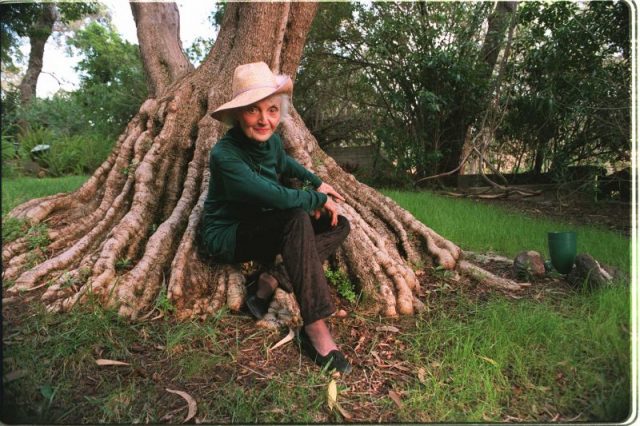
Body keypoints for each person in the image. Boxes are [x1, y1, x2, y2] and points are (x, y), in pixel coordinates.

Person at [198, 62, 352, 374]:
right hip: (228, 236)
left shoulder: (272, 142)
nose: (264, 120)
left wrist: (316, 183)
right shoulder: (225, 155)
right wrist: (317, 198)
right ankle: (315, 329)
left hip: (264, 225)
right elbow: (274, 196)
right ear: (240, 113)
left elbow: (288, 166)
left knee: (339, 224)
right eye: (254, 111)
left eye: (271, 110)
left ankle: (273, 277)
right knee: (295, 216)